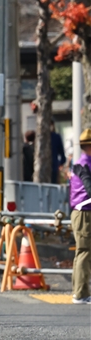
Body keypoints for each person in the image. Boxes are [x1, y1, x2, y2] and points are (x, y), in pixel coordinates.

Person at [70, 129, 91, 304]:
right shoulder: (86, 164)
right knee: (84, 252)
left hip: (78, 211)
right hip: (85, 212)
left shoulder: (78, 163)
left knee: (81, 253)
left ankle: (78, 291)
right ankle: (81, 293)